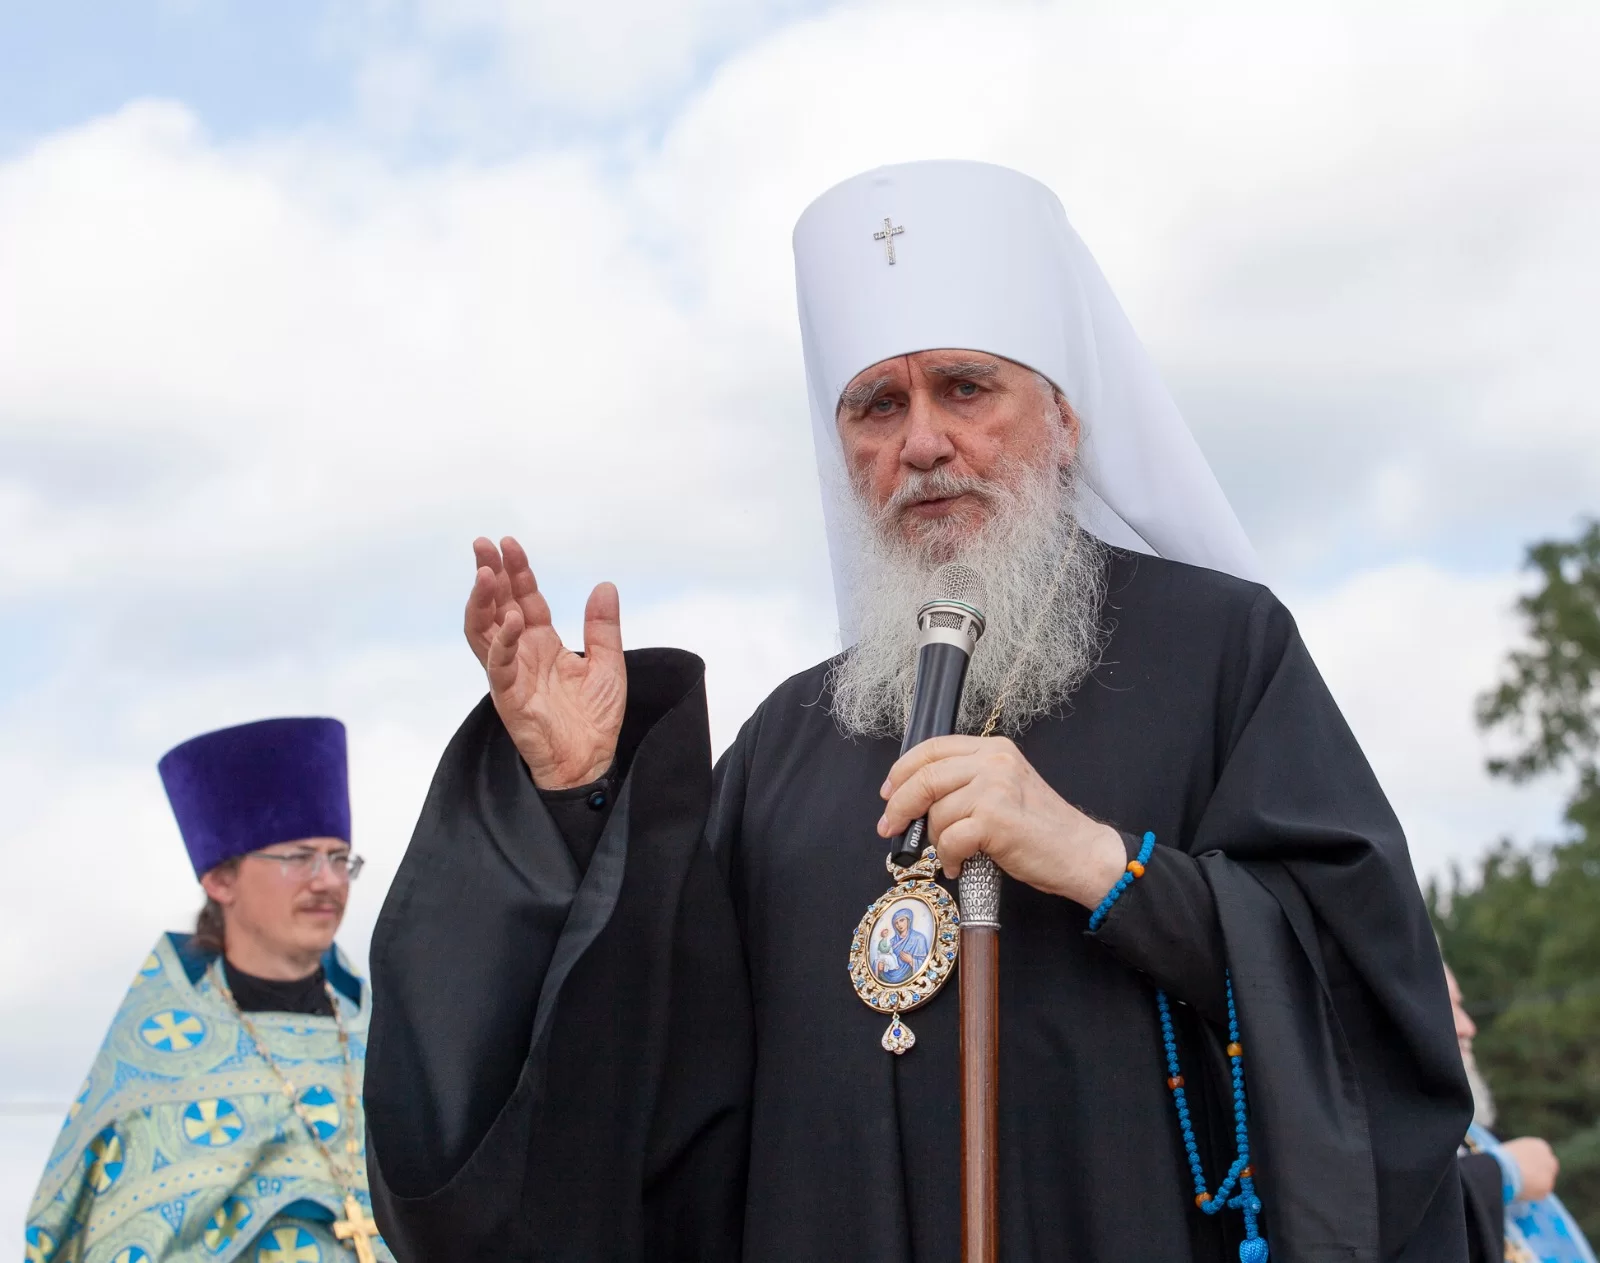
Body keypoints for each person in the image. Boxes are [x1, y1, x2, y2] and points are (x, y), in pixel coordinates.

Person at [364, 161, 1471, 1261]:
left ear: (1064, 421)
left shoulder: (1219, 647)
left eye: (965, 390)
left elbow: (1366, 994)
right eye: (879, 406)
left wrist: (1105, 866)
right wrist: (579, 801)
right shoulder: (788, 741)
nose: (924, 444)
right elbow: (654, 1074)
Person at [26, 718, 392, 1263]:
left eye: (340, 858)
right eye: (299, 857)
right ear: (220, 879)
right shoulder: (153, 1059)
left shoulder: (388, 1042)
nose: (329, 881)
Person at [1447, 967, 1595, 1263]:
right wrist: (1502, 1173)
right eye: (1445, 1007)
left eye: (1460, 1006)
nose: (1468, 1027)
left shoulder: (1475, 1135)